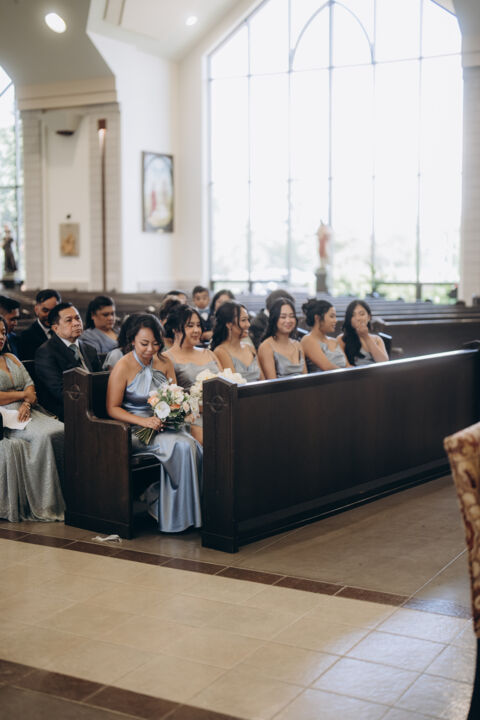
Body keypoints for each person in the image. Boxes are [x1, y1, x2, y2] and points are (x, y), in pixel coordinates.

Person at [106, 314, 202, 533]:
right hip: (136, 429)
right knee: (182, 447)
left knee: (195, 447)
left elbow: (176, 395)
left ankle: (168, 502)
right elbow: (112, 408)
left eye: (155, 343)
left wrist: (178, 412)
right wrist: (144, 421)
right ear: (132, 340)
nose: (150, 349)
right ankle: (169, 512)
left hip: (165, 425)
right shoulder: (123, 366)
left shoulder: (165, 362)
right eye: (144, 344)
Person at [0, 315, 65, 522]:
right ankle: (45, 502)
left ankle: (69, 496)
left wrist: (27, 403)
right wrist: (22, 396)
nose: (1, 337)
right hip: (6, 417)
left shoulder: (11, 358)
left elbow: (30, 385)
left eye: (3, 332)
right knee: (44, 436)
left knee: (61, 429)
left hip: (28, 409)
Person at [35, 303, 102, 420]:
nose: (76, 323)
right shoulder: (46, 352)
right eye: (69, 320)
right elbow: (60, 392)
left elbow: (101, 380)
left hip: (95, 405)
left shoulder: (89, 349)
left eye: (77, 318)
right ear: (55, 328)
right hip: (67, 412)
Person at [165, 304, 221, 445]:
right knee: (212, 440)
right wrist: (206, 407)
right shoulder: (166, 359)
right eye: (190, 326)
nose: (196, 330)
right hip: (193, 417)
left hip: (221, 410)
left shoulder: (209, 353)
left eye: (198, 325)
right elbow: (172, 401)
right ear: (175, 329)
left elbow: (226, 382)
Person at [211, 301, 263, 382]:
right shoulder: (221, 351)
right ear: (229, 324)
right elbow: (234, 385)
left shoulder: (250, 348)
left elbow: (263, 380)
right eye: (243, 320)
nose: (248, 324)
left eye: (248, 320)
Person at [258, 298, 307, 378]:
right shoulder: (266, 346)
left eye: (291, 316)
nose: (288, 320)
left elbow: (306, 378)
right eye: (283, 317)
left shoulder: (298, 345)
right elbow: (272, 382)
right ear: (274, 319)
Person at [300, 299, 349, 372]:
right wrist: (351, 374)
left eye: (335, 317)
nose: (335, 320)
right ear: (317, 318)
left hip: (347, 377)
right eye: (332, 316)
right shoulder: (308, 340)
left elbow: (348, 366)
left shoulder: (334, 341)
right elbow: (327, 367)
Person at [337, 299, 389, 366]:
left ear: (369, 317)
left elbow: (384, 362)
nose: (358, 318)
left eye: (361, 314)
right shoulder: (341, 339)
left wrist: (366, 337)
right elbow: (345, 367)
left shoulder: (377, 339)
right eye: (353, 315)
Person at [18, 289, 61, 360]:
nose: (50, 315)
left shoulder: (66, 331)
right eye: (45, 311)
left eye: (54, 311)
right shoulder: (27, 337)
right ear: (36, 310)